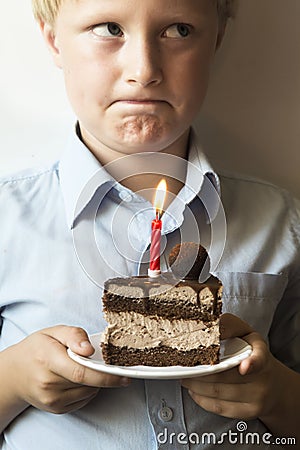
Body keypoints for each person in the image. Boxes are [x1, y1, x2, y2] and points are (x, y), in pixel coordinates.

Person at [0, 0, 300, 448]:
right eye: (108, 28)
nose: (144, 70)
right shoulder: (9, 220)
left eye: (178, 30)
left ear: (216, 38)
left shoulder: (282, 222)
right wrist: (13, 381)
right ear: (52, 38)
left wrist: (277, 395)